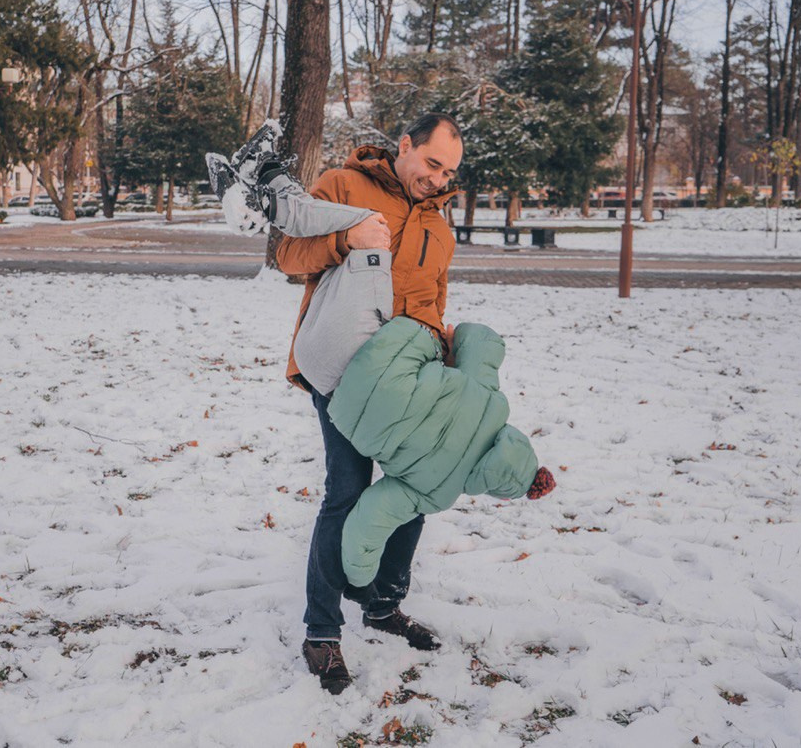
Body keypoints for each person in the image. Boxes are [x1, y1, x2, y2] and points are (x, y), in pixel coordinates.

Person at [207, 115, 556, 695]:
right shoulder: (346, 185)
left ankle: (383, 607)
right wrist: (347, 242)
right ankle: (322, 632)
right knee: (346, 492)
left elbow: (434, 302)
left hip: (416, 383)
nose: (438, 179)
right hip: (347, 371)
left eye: (449, 172)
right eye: (432, 163)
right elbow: (288, 256)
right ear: (405, 146)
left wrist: (448, 361)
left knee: (415, 494)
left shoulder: (439, 227)